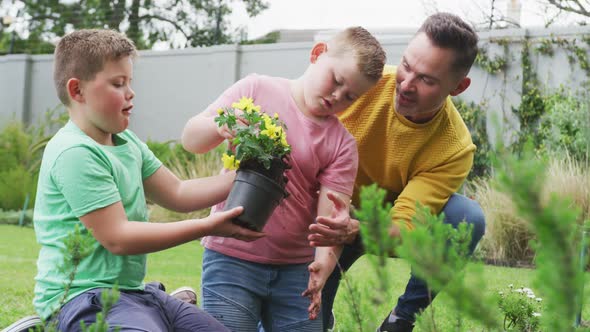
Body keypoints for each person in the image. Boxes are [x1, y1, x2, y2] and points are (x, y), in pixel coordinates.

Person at [33, 29, 265, 332]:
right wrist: (209, 226)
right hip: (82, 299)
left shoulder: (126, 142)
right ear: (77, 91)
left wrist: (250, 175)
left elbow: (178, 193)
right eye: (118, 84)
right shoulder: (74, 151)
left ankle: (156, 309)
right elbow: (118, 237)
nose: (130, 92)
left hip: (133, 293)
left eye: (130, 82)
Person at [181, 27, 386, 331]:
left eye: (350, 96)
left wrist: (323, 268)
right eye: (337, 81)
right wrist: (218, 127)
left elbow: (330, 219)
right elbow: (191, 139)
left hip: (295, 270)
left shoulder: (342, 144)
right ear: (318, 54)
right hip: (231, 256)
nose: (336, 96)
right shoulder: (255, 90)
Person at [307, 13, 487, 332]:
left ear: (458, 87)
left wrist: (354, 230)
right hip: (325, 214)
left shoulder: (454, 147)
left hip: (378, 224)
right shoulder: (358, 85)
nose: (405, 85)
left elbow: (405, 227)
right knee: (303, 324)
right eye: (406, 65)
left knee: (466, 216)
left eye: (427, 80)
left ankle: (400, 320)